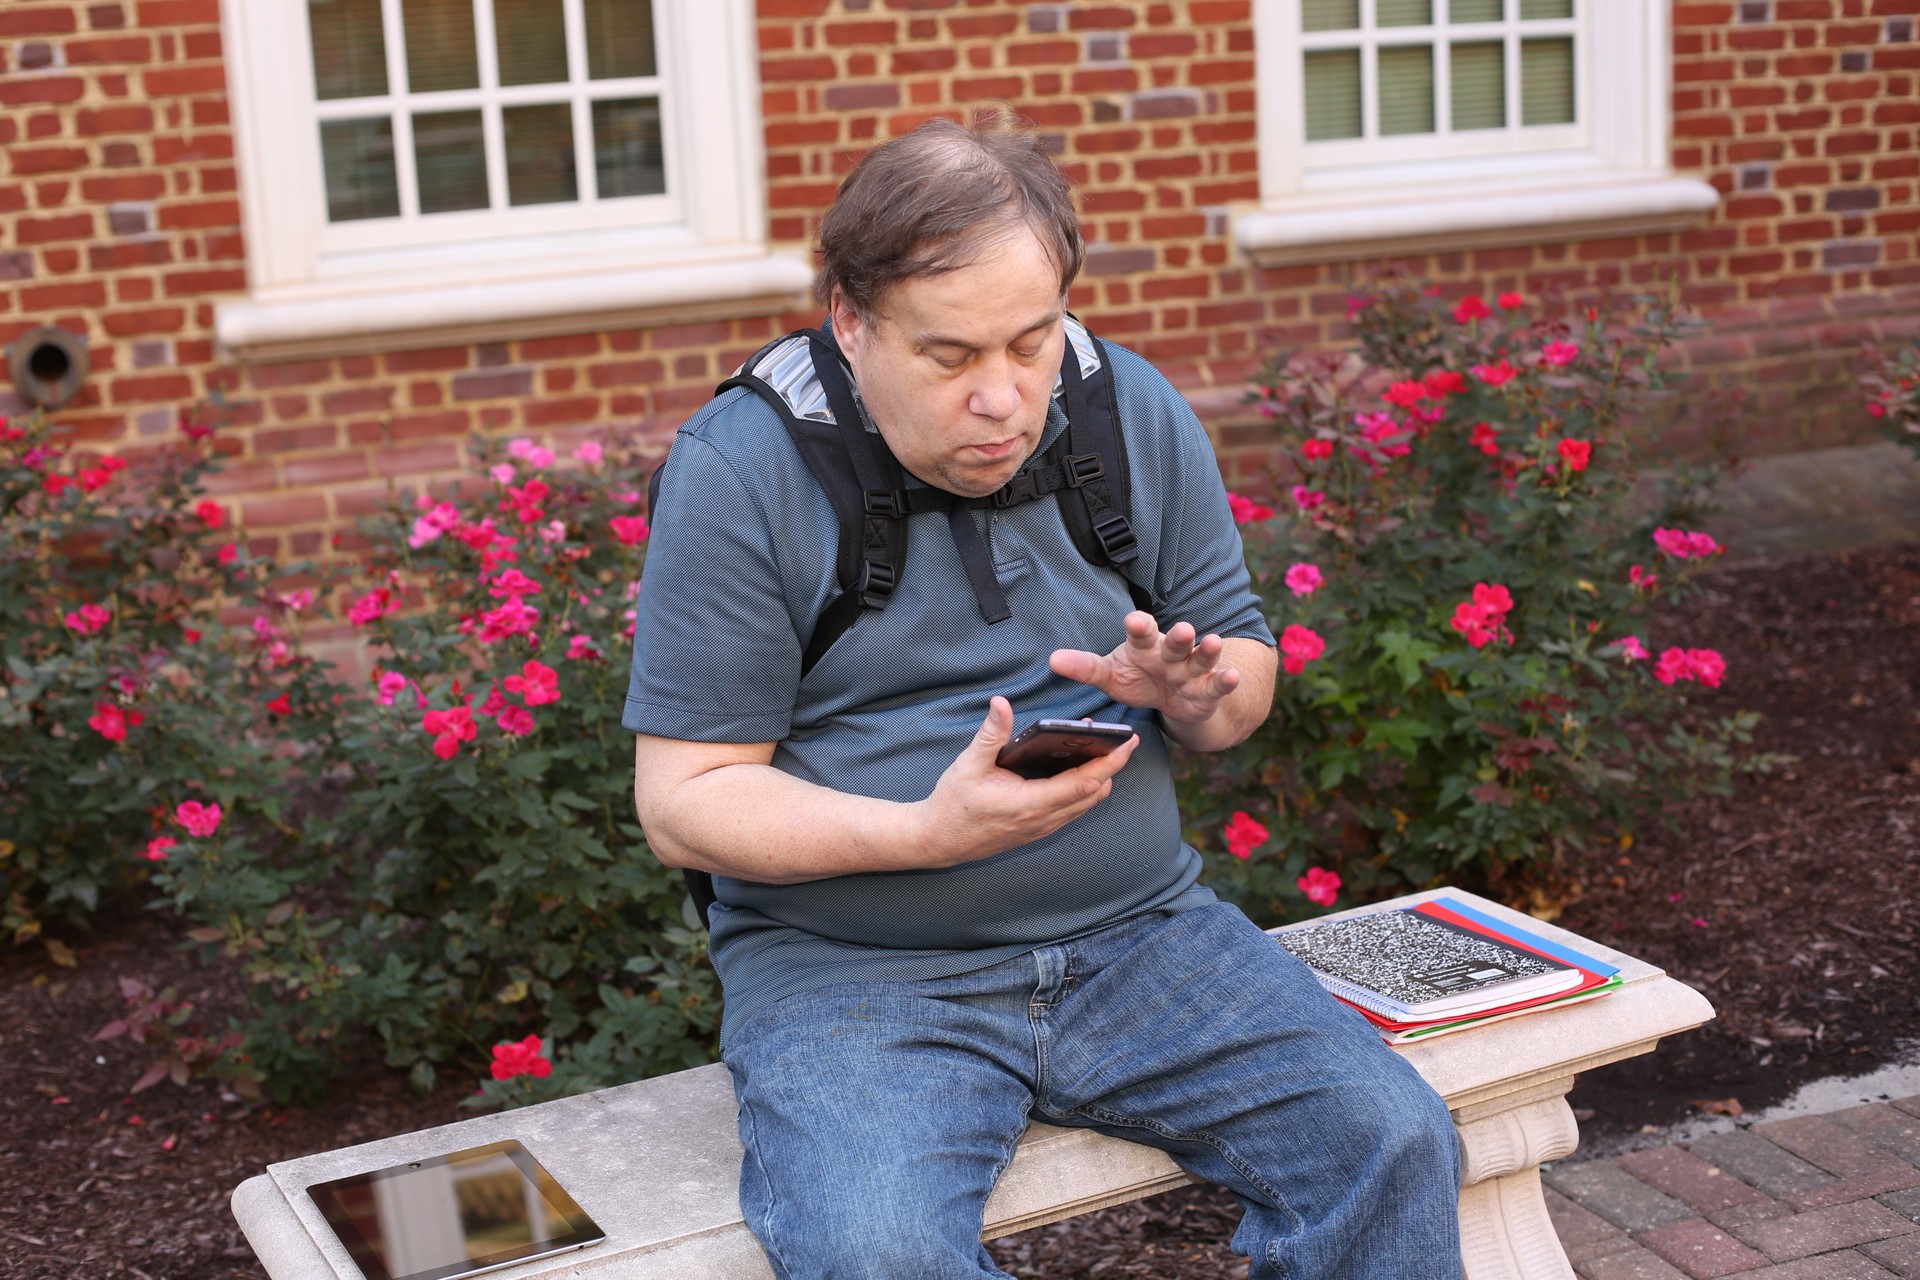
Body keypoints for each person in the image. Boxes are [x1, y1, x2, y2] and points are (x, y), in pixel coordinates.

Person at [624, 113, 1462, 1279]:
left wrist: (1198, 688)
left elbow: (1243, 679)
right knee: (880, 1256)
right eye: (952, 356)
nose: (1005, 398)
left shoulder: (1123, 408)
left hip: (1146, 940)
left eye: (1032, 340)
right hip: (860, 983)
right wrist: (925, 833)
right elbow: (685, 799)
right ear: (851, 324)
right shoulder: (744, 470)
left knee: (1392, 1137)